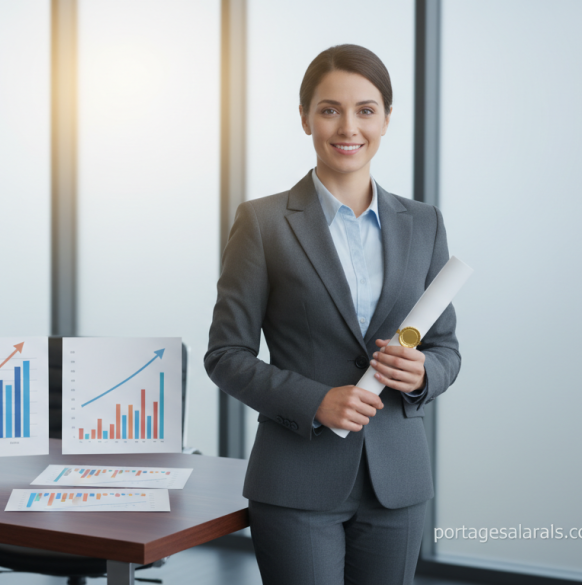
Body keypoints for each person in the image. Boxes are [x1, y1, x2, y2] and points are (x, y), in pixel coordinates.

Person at [204, 44, 460, 585]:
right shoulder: (263, 222)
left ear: (388, 118)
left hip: (398, 482)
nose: (349, 127)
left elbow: (446, 348)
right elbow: (226, 355)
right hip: (296, 480)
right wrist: (316, 400)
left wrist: (423, 376)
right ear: (305, 118)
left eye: (366, 109)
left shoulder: (424, 223)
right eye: (329, 109)